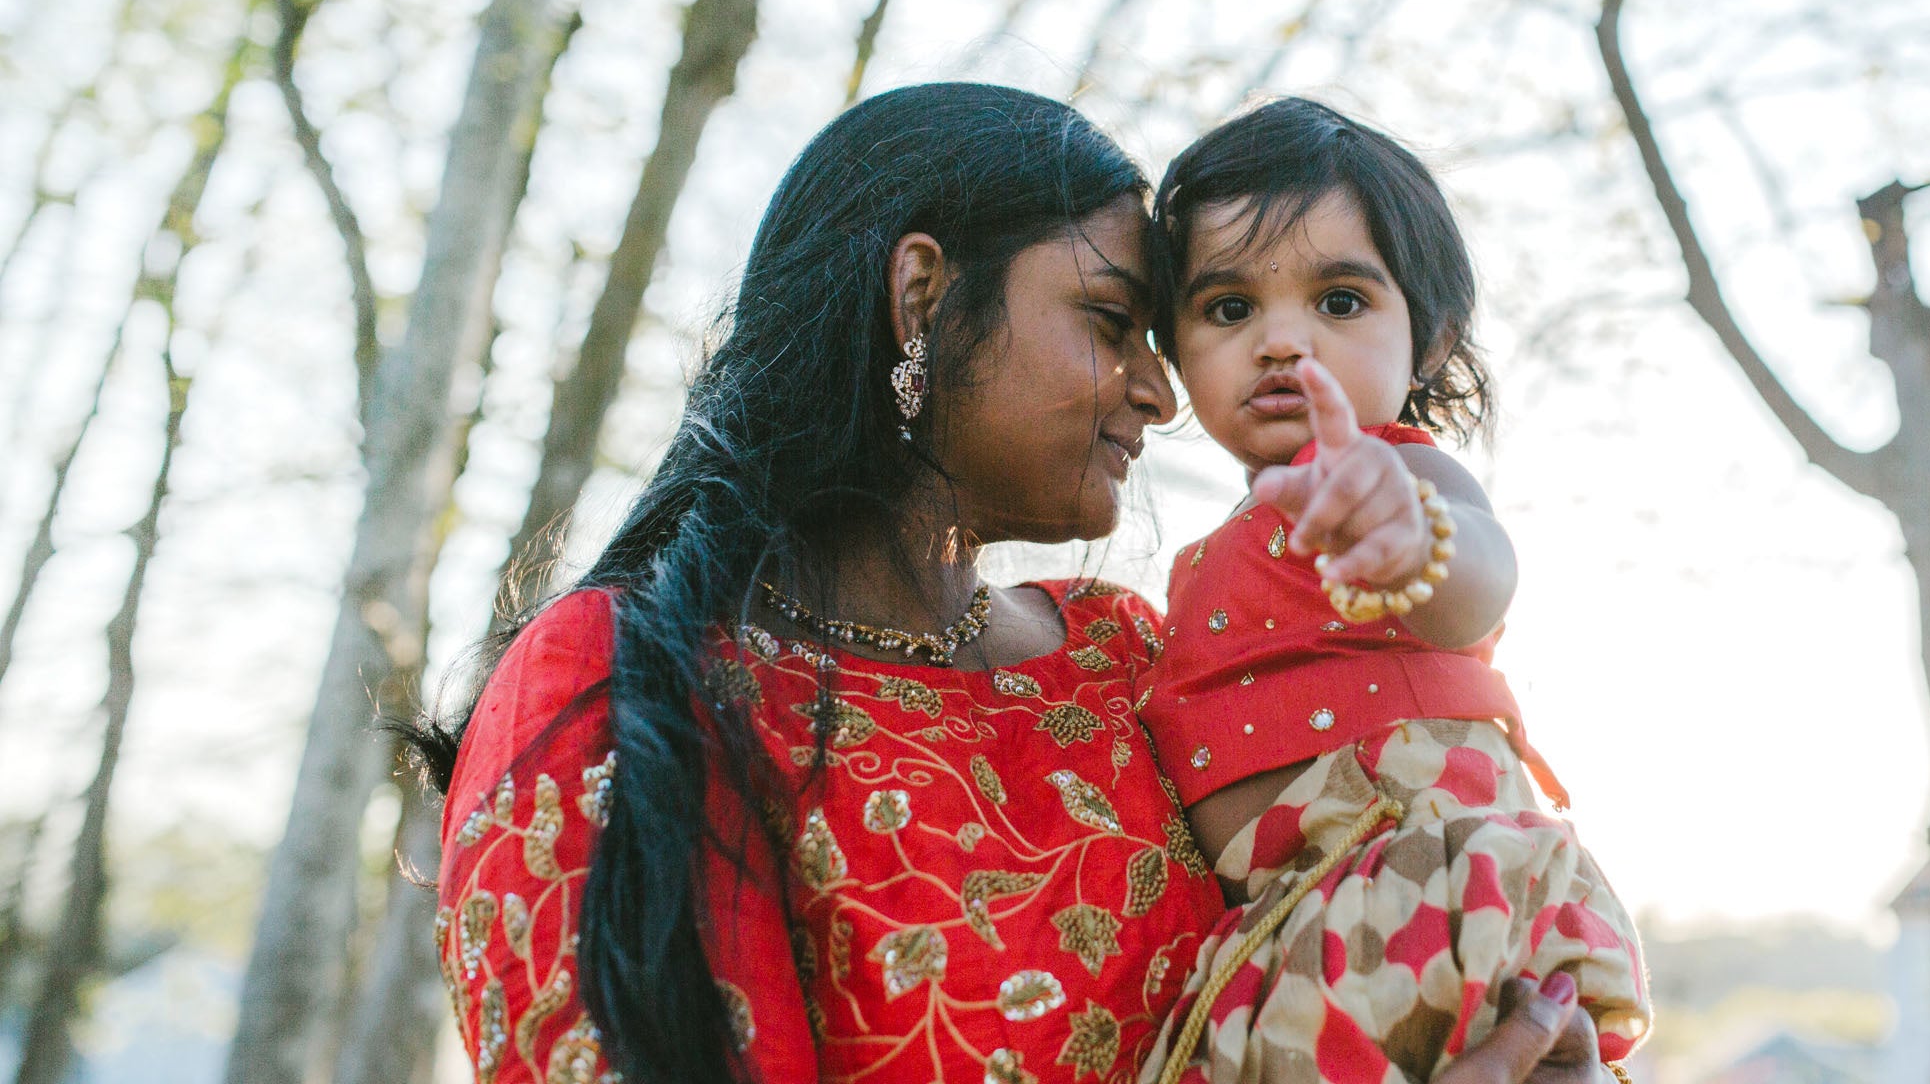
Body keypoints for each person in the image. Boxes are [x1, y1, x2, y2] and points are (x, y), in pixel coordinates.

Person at [411, 83, 1621, 1084]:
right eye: (1111, 321)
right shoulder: (632, 675)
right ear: (923, 298)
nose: (1157, 391)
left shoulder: (1126, 662)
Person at [1134, 98, 1651, 1084]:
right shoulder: (1198, 560)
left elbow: (1479, 588)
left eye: (1338, 301)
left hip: (1411, 891)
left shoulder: (1400, 478)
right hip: (1282, 933)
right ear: (1173, 351)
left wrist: (1413, 545)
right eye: (1228, 308)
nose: (1281, 342)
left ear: (1430, 339)